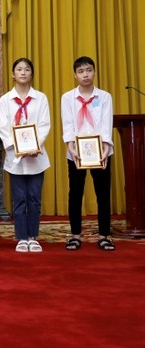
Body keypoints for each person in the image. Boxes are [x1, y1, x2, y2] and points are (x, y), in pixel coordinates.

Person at [60, 56, 115, 251]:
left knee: (102, 194)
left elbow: (106, 124)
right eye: (81, 71)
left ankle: (104, 235)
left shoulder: (104, 97)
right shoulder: (67, 98)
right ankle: (75, 235)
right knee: (75, 193)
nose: (85, 75)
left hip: (101, 152)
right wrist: (71, 147)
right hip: (76, 153)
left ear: (94, 72)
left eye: (89, 70)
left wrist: (106, 147)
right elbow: (68, 124)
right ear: (75, 75)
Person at [0, 58, 51, 253]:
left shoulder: (41, 98)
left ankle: (33, 236)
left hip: (37, 157)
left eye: (27, 69)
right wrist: (16, 146)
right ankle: (21, 237)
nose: (22, 72)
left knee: (34, 198)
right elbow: (3, 128)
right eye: (19, 69)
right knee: (19, 198)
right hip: (15, 159)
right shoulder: (5, 100)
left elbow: (45, 125)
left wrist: (35, 145)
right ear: (13, 74)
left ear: (32, 74)